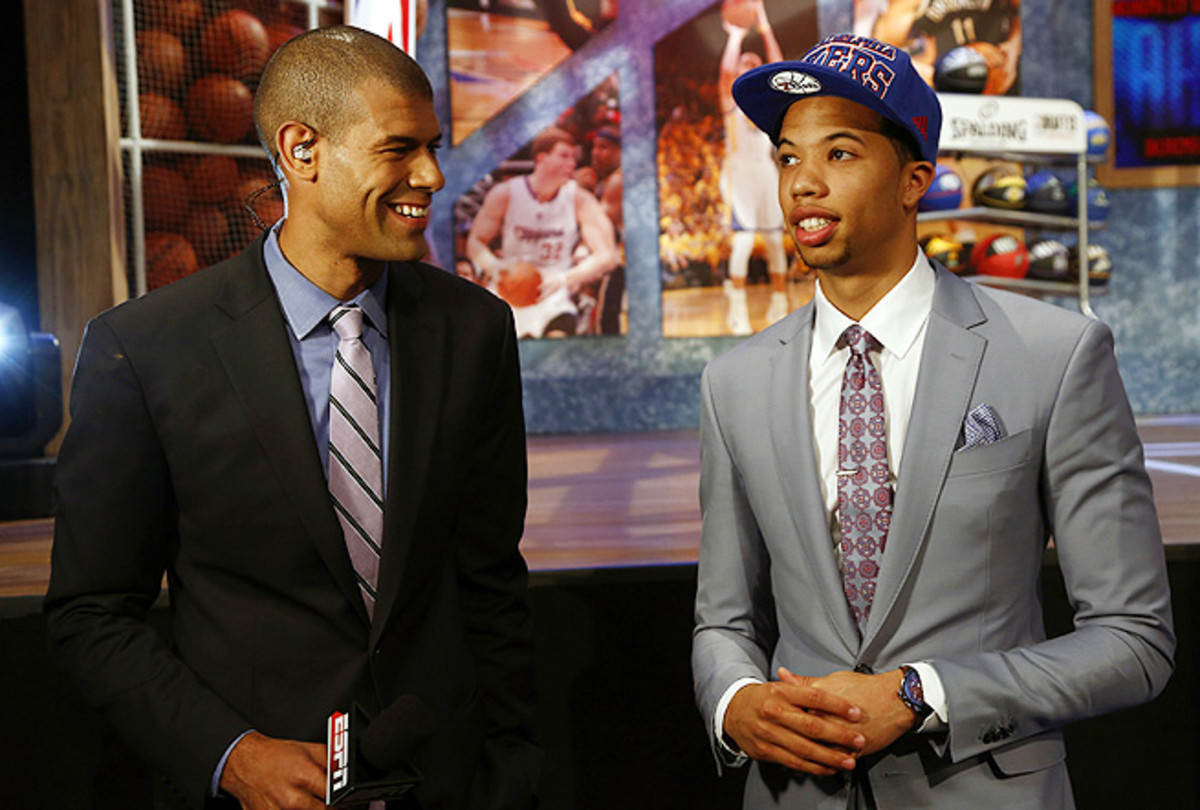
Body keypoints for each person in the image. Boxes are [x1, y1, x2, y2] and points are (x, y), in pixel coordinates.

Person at [45, 26, 540, 810]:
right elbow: (93, 613)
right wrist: (231, 757)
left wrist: (511, 773)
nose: (433, 176)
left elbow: (490, 583)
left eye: (433, 146)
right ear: (301, 149)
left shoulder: (474, 329)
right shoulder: (144, 349)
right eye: (399, 148)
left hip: (446, 781)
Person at [692, 33, 1174, 809]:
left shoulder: (1055, 354)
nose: (804, 184)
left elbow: (1133, 641)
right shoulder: (733, 384)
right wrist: (734, 703)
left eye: (840, 154)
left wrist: (926, 693)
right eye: (787, 157)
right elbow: (723, 622)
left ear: (915, 179)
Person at [466, 127, 617, 338]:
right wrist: (494, 266)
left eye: (573, 158)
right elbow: (475, 241)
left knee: (556, 344)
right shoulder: (506, 193)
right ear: (541, 158)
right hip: (510, 287)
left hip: (553, 293)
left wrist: (567, 278)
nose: (572, 164)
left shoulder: (579, 199)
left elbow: (608, 254)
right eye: (564, 156)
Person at [718, 0, 790, 335]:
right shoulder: (730, 99)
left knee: (775, 242)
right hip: (738, 173)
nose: (748, 64)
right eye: (743, 62)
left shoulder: (768, 104)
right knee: (743, 243)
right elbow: (724, 73)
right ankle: (737, 310)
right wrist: (735, 38)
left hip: (764, 170)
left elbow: (780, 67)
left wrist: (764, 24)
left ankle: (780, 305)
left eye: (753, 61)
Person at [860, 0, 1022, 94]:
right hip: (937, 88)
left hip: (995, 85)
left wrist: (1013, 49)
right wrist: (914, 70)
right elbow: (881, 46)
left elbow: (1021, 12)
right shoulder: (910, 3)